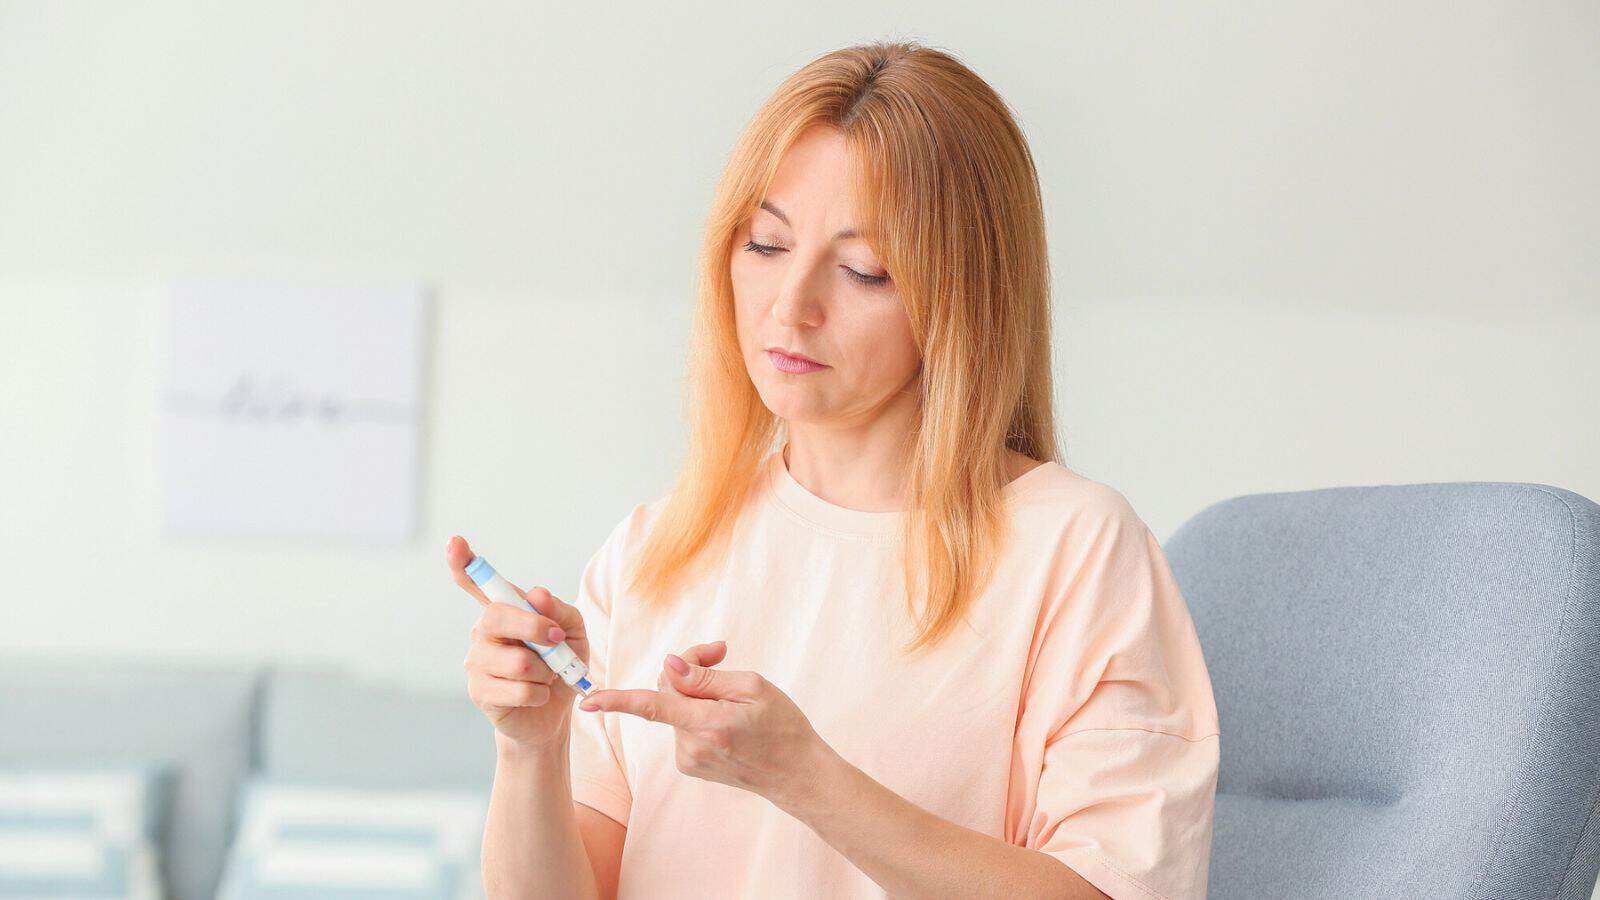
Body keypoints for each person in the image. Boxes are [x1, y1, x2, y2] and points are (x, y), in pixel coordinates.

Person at [448, 39, 1219, 900]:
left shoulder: (1075, 547)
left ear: (961, 296)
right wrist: (530, 749)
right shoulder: (656, 549)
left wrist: (807, 778)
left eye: (864, 270)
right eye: (767, 245)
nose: (791, 306)